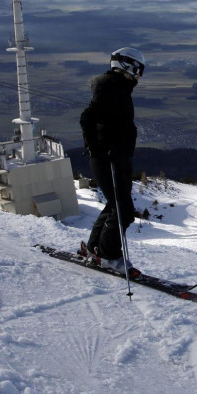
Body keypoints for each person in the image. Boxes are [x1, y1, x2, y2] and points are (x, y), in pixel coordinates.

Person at [79, 47, 145, 273]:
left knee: (114, 205)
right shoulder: (111, 88)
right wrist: (97, 148)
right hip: (109, 158)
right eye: (137, 70)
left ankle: (94, 248)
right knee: (124, 210)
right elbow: (88, 117)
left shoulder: (119, 88)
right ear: (126, 67)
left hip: (116, 156)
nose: (138, 76)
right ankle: (109, 255)